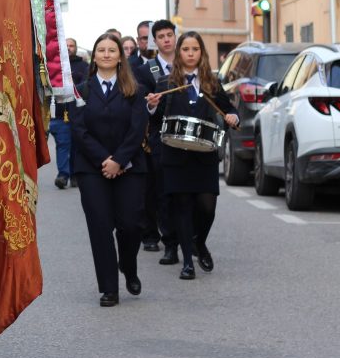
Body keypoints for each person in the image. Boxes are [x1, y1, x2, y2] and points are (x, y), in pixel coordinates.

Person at [147, 31, 239, 281]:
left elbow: (228, 109)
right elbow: (156, 118)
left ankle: (200, 242)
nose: (190, 54)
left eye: (195, 49)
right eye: (185, 49)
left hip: (204, 155)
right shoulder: (166, 83)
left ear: (201, 53)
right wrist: (152, 106)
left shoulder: (211, 82)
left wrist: (233, 117)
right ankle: (188, 261)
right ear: (179, 53)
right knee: (182, 207)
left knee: (207, 207)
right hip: (175, 155)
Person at [71, 33, 148, 307]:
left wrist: (119, 160)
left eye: (111, 50)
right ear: (94, 57)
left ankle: (128, 265)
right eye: (101, 50)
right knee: (100, 227)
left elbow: (138, 128)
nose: (106, 54)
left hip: (130, 166)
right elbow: (79, 129)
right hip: (92, 169)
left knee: (131, 225)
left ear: (120, 57)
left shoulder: (134, 90)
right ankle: (109, 289)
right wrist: (105, 159)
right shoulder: (81, 90)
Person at [135, 19, 180, 260]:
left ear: (175, 36)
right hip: (160, 137)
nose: (166, 40)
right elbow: (140, 105)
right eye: (161, 36)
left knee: (189, 192)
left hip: (187, 137)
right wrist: (151, 106)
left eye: (169, 35)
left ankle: (191, 237)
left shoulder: (188, 65)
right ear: (155, 41)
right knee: (162, 192)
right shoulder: (146, 70)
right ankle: (169, 241)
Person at [49, 38, 90, 189]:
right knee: (63, 144)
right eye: (66, 45)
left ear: (76, 48)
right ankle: (63, 175)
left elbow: (85, 86)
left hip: (78, 113)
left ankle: (75, 175)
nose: (68, 48)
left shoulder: (83, 66)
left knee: (76, 146)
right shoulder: (53, 66)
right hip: (60, 115)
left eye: (71, 45)